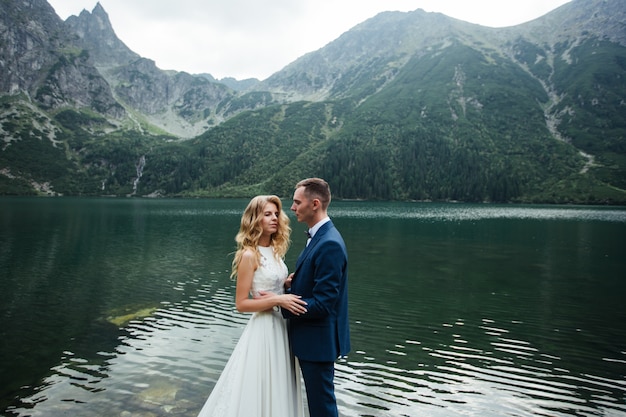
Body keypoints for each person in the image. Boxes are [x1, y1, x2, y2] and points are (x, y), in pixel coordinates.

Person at [197, 195, 307, 417]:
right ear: (255, 219)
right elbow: (241, 304)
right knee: (259, 386)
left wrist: (284, 285)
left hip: (282, 328)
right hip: (264, 329)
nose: (274, 218)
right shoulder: (249, 254)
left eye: (276, 214)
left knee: (280, 384)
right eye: (267, 214)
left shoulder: (275, 251)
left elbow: (272, 285)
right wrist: (278, 300)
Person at [281, 178, 351, 417]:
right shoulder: (320, 237)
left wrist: (283, 301)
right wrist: (293, 284)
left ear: (315, 204)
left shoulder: (329, 243)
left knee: (322, 408)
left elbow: (323, 303)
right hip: (312, 339)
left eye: (297, 202)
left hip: (318, 342)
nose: (292, 208)